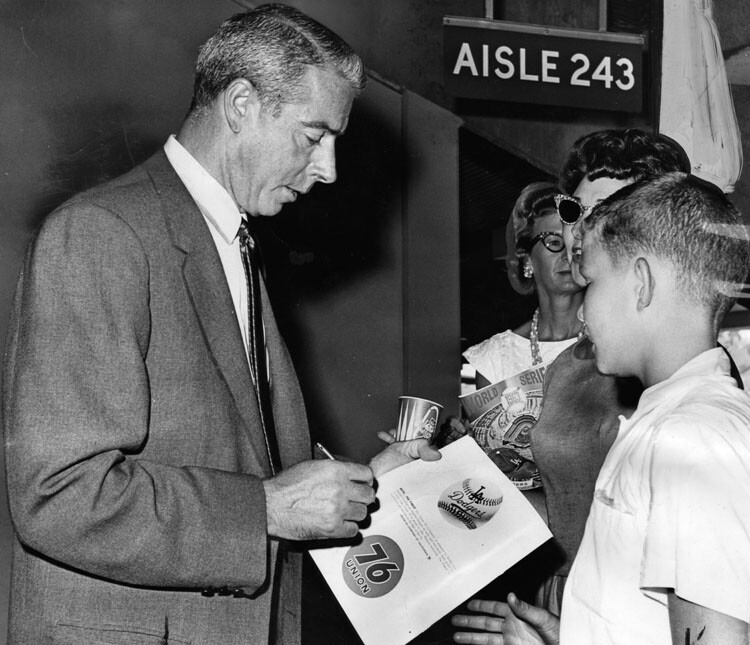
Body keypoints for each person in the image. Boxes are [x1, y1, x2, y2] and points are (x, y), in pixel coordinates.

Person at [2, 5, 437, 645]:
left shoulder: (229, 240)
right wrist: (267, 508)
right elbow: (57, 492)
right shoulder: (102, 233)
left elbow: (238, 463)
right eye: (315, 136)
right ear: (240, 104)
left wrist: (361, 486)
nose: (329, 170)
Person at [453, 173, 750, 644]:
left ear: (640, 283)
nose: (582, 312)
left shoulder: (693, 437)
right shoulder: (674, 420)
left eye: (591, 282)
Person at [460, 182, 585, 488]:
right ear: (527, 262)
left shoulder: (619, 348)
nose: (568, 254)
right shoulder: (476, 362)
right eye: (554, 241)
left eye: (576, 242)